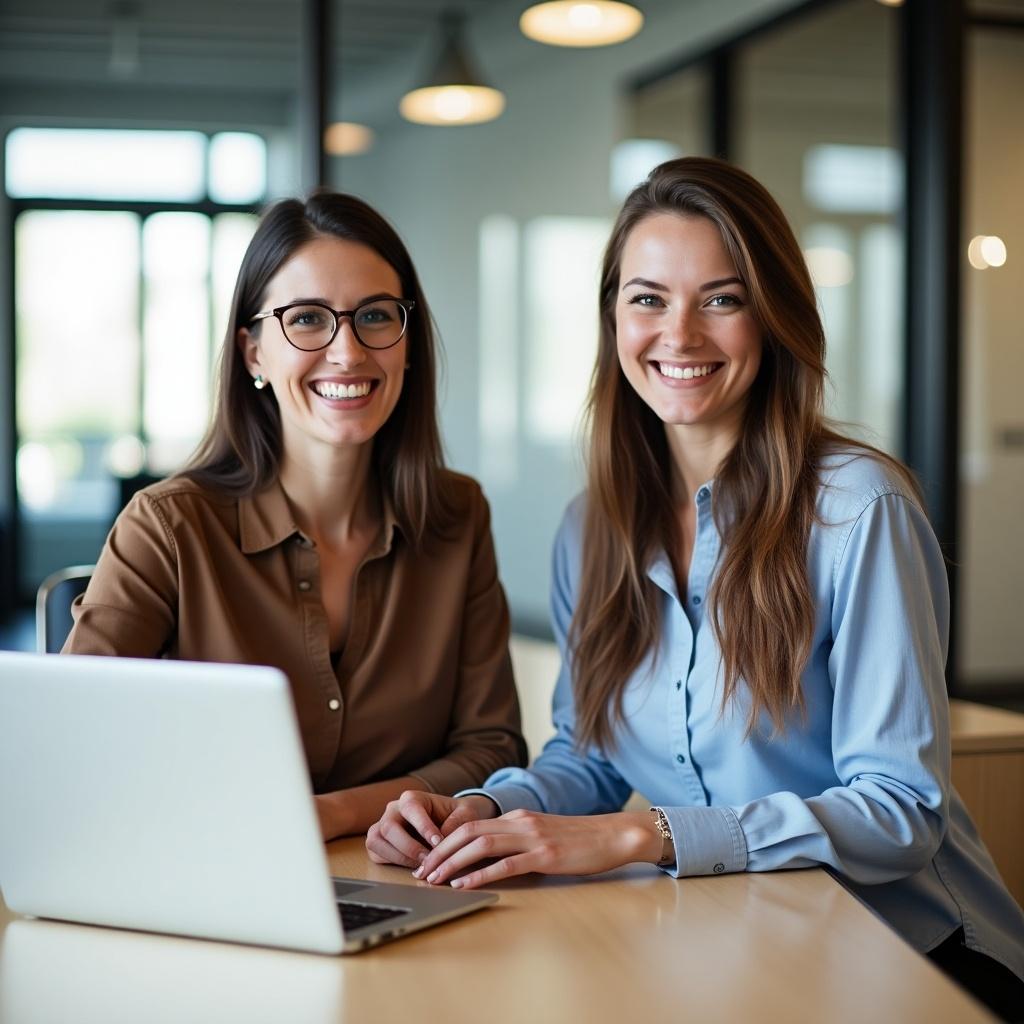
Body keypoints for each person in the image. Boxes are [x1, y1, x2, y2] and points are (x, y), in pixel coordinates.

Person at [366, 158, 1024, 1019]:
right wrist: (478, 814)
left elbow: (900, 811)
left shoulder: (860, 510)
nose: (679, 334)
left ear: (775, 317)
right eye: (647, 298)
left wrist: (645, 834)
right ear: (612, 320)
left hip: (913, 956)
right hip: (731, 942)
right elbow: (590, 756)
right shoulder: (591, 527)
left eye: (722, 298)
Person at [65, 191, 527, 841]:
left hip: (407, 885)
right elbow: (74, 745)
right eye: (308, 319)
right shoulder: (168, 528)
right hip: (206, 870)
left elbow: (493, 748)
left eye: (375, 316)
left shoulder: (457, 516)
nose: (347, 352)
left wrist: (337, 814)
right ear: (254, 352)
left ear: (408, 342)